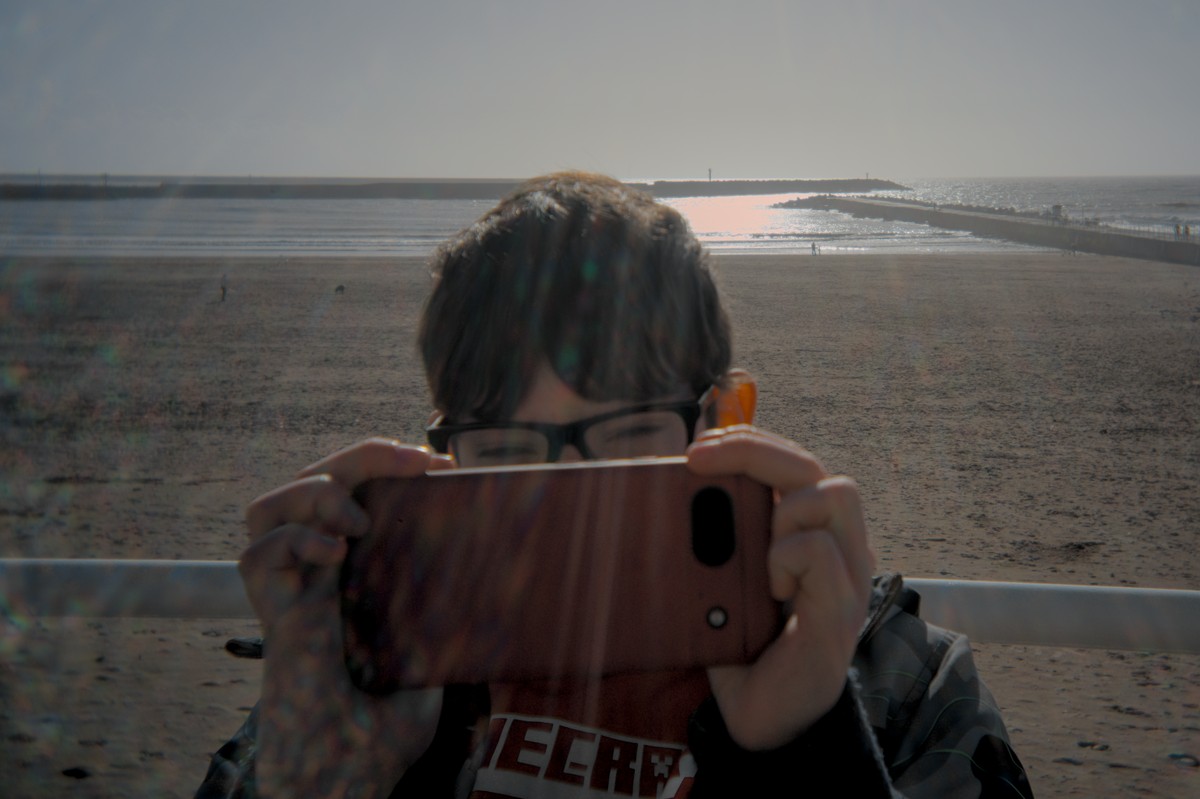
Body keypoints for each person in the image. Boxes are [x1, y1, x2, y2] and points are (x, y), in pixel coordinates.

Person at [197, 172, 1032, 797]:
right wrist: (327, 781)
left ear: (724, 421)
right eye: (508, 449)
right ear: (439, 460)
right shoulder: (382, 665)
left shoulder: (891, 679)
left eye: (629, 437)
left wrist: (807, 744)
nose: (576, 500)